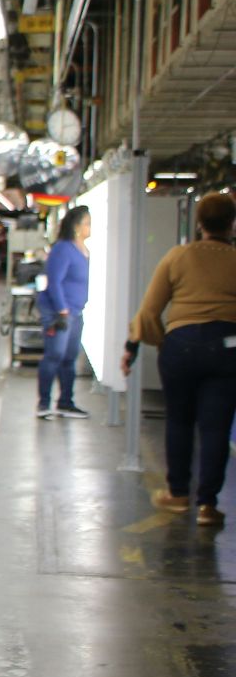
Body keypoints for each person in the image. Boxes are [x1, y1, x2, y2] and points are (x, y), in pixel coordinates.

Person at [123, 191, 236, 528]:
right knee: (216, 427)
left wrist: (138, 346)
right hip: (228, 347)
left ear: (199, 222)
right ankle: (207, 505)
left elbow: (149, 310)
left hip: (181, 345)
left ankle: (177, 494)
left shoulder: (178, 256)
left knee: (179, 420)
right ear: (232, 224)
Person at [37, 205, 92, 420]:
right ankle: (44, 403)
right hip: (59, 313)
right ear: (76, 226)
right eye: (87, 223)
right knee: (54, 355)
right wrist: (61, 310)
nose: (90, 227)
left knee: (69, 357)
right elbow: (55, 282)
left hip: (76, 312)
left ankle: (66, 402)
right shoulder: (63, 249)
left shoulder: (84, 251)